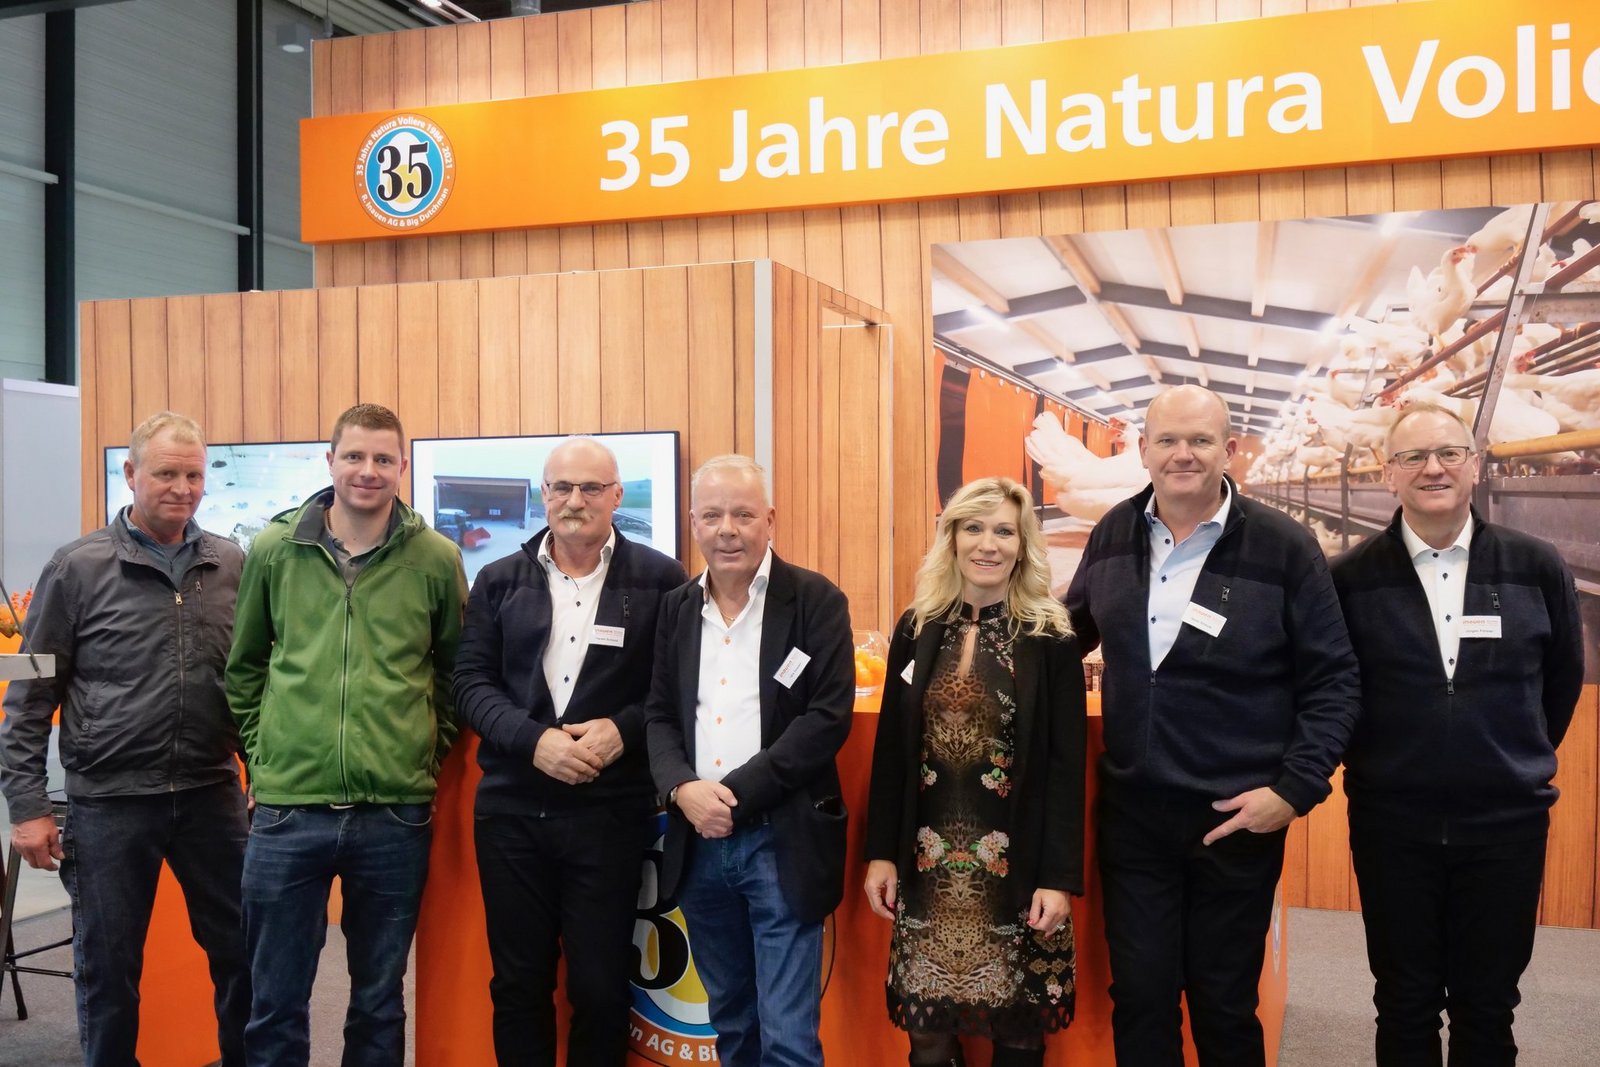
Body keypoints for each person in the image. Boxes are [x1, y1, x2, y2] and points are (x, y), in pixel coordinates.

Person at [1065, 384, 1360, 1067]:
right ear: (1144, 450)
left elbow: (1335, 679)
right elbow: (1065, 633)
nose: (1183, 455)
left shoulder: (1285, 547)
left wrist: (1294, 789)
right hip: (1135, 815)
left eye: (1200, 441)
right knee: (1141, 997)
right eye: (1168, 440)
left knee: (1223, 1003)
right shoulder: (1113, 532)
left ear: (1228, 450)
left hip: (1235, 818)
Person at [1330, 402, 1583, 1066]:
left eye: (1448, 452)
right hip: (1392, 827)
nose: (1433, 468)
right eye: (1413, 456)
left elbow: (1559, 684)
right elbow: (1334, 690)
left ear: (1475, 465)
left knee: (1488, 1004)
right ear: (1388, 474)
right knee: (1404, 1001)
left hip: (1505, 827)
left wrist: (1506, 757)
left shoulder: (1536, 566)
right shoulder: (1350, 578)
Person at [0, 411, 250, 1067]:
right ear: (131, 473)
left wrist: (265, 773)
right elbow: (27, 693)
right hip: (109, 801)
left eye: (194, 475)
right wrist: (26, 806)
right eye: (167, 473)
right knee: (108, 971)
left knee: (244, 953)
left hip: (212, 794)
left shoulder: (230, 563)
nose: (183, 488)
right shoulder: (74, 567)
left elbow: (251, 679)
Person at [225, 403, 467, 1067]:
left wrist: (421, 754)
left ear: (402, 466)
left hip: (393, 814)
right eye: (355, 456)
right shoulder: (276, 549)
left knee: (379, 999)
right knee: (275, 999)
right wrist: (264, 757)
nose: (368, 471)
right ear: (330, 460)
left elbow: (454, 675)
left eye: (383, 458)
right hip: (287, 810)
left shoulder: (436, 559)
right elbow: (244, 668)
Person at [453, 436, 686, 1066]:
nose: (574, 500)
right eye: (562, 487)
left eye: (590, 487)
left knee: (600, 988)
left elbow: (674, 687)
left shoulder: (662, 580)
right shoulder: (498, 579)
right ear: (545, 494)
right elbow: (469, 684)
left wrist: (624, 730)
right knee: (519, 984)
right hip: (511, 815)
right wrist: (534, 742)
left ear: (616, 495)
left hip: (608, 813)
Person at [864, 477, 1087, 1067]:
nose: (988, 544)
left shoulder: (1050, 636)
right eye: (974, 528)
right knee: (927, 1036)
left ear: (1023, 544)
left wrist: (1058, 878)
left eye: (1004, 531)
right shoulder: (915, 627)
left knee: (1019, 1033)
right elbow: (891, 754)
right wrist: (881, 854)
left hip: (1018, 870)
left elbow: (1066, 770)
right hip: (929, 868)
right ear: (952, 538)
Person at [645, 454, 854, 1067]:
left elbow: (826, 719)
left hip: (780, 838)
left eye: (743, 514)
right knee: (733, 1025)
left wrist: (733, 795)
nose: (727, 530)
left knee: (788, 1039)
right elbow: (659, 715)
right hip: (698, 842)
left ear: (770, 520)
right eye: (712, 516)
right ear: (693, 523)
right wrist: (681, 788)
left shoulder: (815, 600)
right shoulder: (676, 608)